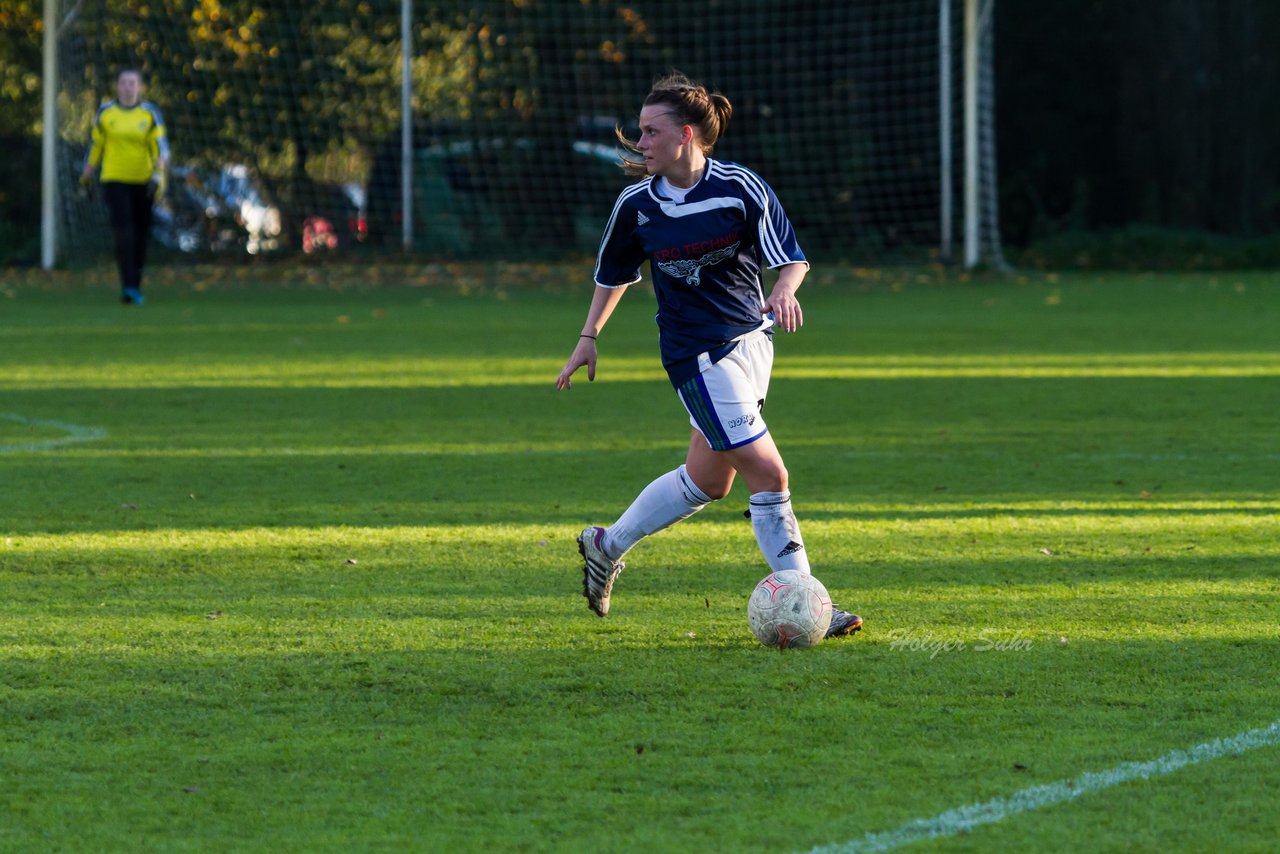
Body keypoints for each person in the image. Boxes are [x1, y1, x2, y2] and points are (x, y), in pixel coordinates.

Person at [555, 72, 862, 638]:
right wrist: (588, 337)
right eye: (640, 132)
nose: (639, 142)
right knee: (768, 473)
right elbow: (612, 275)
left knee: (709, 481)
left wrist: (785, 289)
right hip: (695, 356)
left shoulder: (740, 187)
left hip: (752, 344)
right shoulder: (636, 205)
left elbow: (791, 257)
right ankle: (809, 599)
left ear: (687, 135)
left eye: (651, 132)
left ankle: (606, 544)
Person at [80, 68, 170, 305]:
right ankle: (127, 285)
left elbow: (160, 145)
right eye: (123, 82)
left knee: (140, 233)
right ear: (117, 86)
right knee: (124, 231)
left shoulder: (149, 113)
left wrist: (161, 166)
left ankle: (136, 284)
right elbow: (96, 144)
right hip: (114, 178)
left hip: (143, 180)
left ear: (140, 87)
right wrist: (88, 170)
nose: (128, 87)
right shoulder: (106, 112)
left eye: (132, 83)